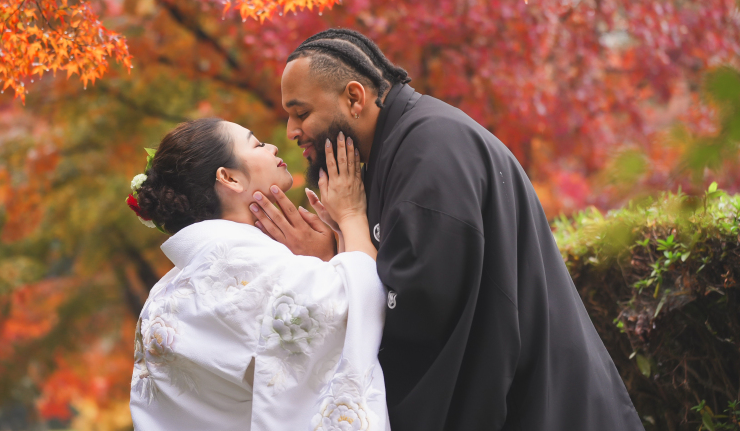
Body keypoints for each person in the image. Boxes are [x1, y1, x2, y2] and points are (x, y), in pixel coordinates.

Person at [252, 28, 645, 430]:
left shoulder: (430, 155)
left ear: (354, 98)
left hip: (547, 408)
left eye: (301, 113)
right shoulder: (407, 147)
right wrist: (340, 253)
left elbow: (419, 319)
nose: (291, 132)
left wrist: (343, 248)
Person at [127, 118, 390, 431]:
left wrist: (329, 255)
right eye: (256, 144)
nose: (273, 146)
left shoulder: (166, 289)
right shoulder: (240, 267)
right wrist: (350, 214)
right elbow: (360, 302)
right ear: (229, 178)